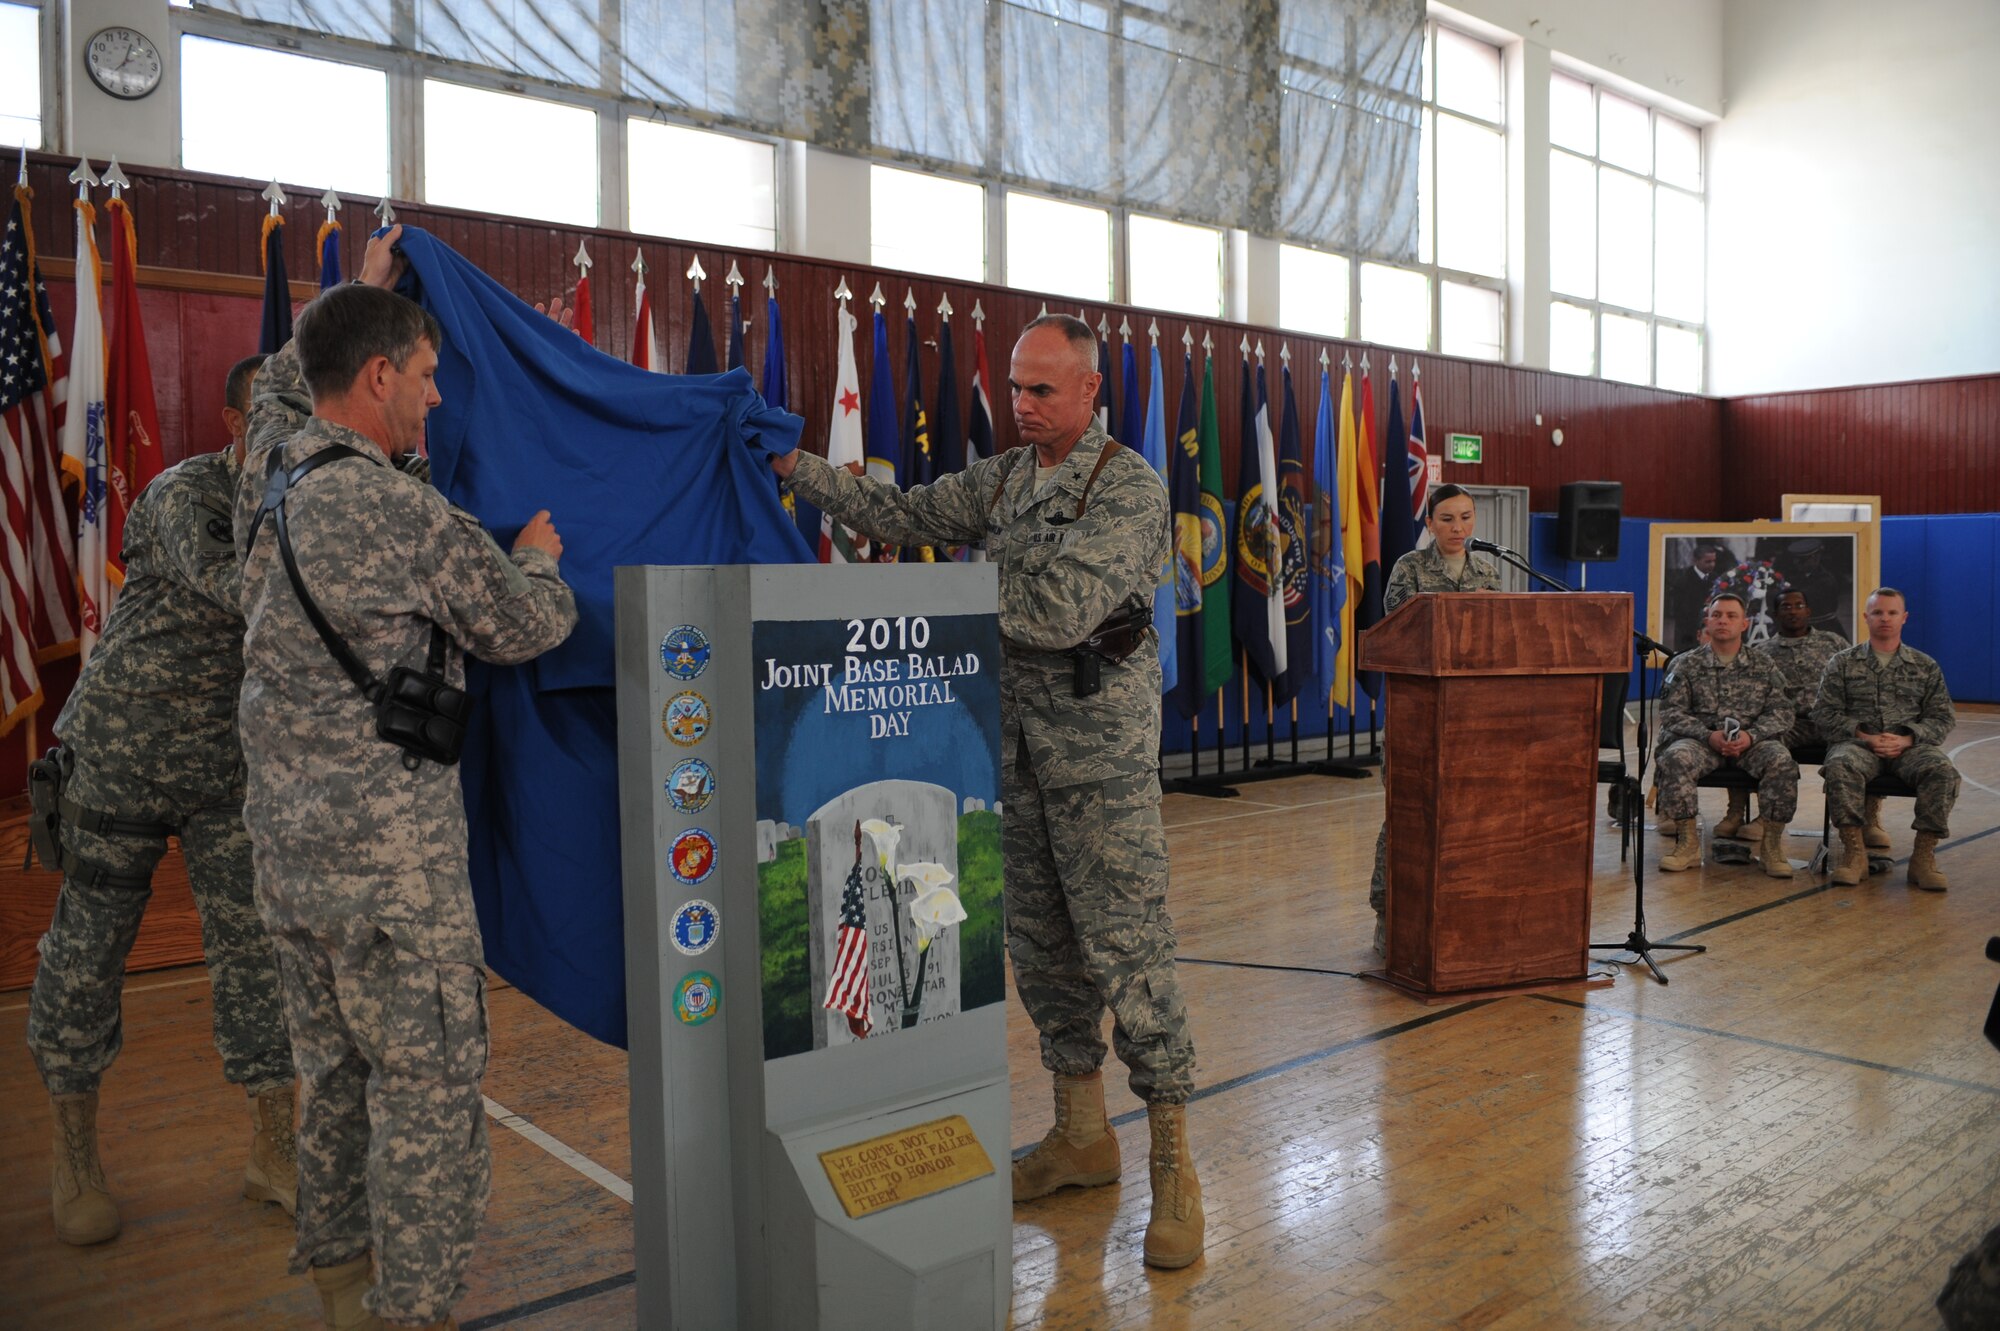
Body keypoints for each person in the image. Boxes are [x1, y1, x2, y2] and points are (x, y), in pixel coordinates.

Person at [768, 313, 1203, 1270]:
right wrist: (799, 466)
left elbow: (1056, 609)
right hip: (1013, 749)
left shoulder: (1127, 485)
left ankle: (1173, 1160)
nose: (1022, 404)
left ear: (1090, 391)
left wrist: (932, 601)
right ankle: (1082, 1136)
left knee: (1128, 948)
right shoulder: (1005, 478)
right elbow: (909, 514)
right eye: (1014, 387)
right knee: (1042, 944)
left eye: (1042, 390)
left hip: (1099, 757)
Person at [235, 227, 578, 1330]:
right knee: (426, 1101)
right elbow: (525, 625)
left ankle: (342, 1295)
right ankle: (412, 1312)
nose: (435, 400)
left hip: (290, 867)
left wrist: (360, 292)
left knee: (330, 1087)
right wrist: (536, 552)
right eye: (426, 377)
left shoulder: (265, 479)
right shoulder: (394, 508)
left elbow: (279, 394)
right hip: (394, 879)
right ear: (379, 376)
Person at [25, 353, 297, 1248]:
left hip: (228, 766)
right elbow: (244, 590)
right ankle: (74, 1158)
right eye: (269, 416)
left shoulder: (306, 499)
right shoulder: (187, 496)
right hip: (125, 753)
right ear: (232, 425)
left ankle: (273, 1153)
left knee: (258, 954)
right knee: (88, 950)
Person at [1368, 485, 1502, 953]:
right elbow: (1398, 636)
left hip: (1472, 720)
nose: (1458, 528)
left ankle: (1457, 912)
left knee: (1466, 819)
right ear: (1429, 523)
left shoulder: (1488, 571)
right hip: (1416, 719)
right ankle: (1389, 913)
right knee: (1403, 818)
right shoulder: (1409, 568)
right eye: (1446, 519)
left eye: (1466, 517)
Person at [1815, 587, 1959, 891]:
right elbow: (1824, 715)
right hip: (1858, 745)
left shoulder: (1924, 665)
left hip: (1909, 747)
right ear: (1866, 616)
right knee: (1840, 765)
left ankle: (1923, 858)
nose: (1885, 618)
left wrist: (1908, 739)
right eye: (1878, 612)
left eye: (1892, 612)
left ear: (1904, 618)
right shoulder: (1842, 663)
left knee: (1943, 771)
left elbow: (1942, 718)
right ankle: (1855, 854)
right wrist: (1863, 735)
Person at [1653, 592, 1799, 879]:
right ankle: (1687, 844)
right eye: (1717, 615)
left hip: (1751, 743)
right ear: (1707, 622)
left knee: (1781, 760)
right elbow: (1671, 712)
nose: (1723, 621)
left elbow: (1783, 712)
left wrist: (1751, 736)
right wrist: (1708, 736)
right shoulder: (1685, 664)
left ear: (1744, 624)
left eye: (1731, 616)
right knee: (1675, 757)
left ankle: (1771, 846)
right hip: (1702, 741)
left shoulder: (1764, 665)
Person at [1727, 584, 1850, 841]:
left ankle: (1868, 822)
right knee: (1757, 744)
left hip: (1832, 721)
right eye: (1786, 607)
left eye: (1799, 605)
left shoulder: (1834, 643)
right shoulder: (1762, 653)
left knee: (1864, 746)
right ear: (1775, 614)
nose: (1793, 611)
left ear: (1809, 610)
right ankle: (1760, 816)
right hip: (1790, 724)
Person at [1666, 542, 1728, 652]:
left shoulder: (1715, 578)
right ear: (1695, 561)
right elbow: (1680, 612)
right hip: (1688, 633)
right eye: (1708, 561)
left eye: (1714, 561)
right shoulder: (1683, 580)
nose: (1712, 565)